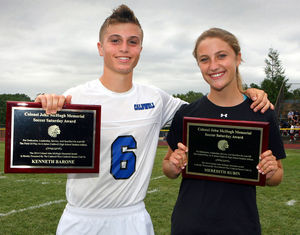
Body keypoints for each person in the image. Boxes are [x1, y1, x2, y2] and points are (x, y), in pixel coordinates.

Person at [35, 6, 272, 235]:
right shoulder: (74, 98)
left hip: (132, 216)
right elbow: (37, 142)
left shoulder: (155, 98)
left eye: (133, 42)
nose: (124, 48)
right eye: (115, 40)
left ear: (140, 48)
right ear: (100, 47)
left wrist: (248, 93)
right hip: (81, 217)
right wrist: (42, 106)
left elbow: (210, 109)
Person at [162, 28, 285, 235]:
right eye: (204, 59)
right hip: (189, 225)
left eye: (221, 56)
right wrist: (174, 166)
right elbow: (168, 167)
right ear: (199, 65)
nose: (213, 66)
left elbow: (277, 175)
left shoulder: (261, 112)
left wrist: (270, 170)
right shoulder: (187, 113)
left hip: (241, 226)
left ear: (238, 58)